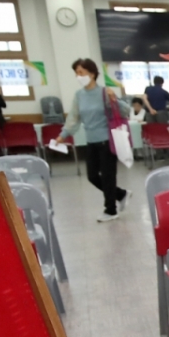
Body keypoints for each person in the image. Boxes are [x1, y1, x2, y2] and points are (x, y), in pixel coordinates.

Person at [61, 58, 130, 222]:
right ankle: (121, 194)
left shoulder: (104, 92)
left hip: (107, 141)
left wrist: (115, 99)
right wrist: (62, 135)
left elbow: (126, 111)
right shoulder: (79, 95)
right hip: (91, 142)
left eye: (81, 72)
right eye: (76, 73)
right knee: (92, 176)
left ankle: (111, 210)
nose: (78, 76)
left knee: (108, 176)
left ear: (91, 74)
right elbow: (73, 118)